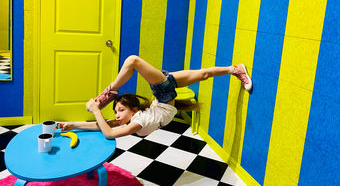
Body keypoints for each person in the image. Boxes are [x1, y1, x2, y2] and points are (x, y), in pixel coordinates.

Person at [57, 55, 252, 139]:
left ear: (134, 110)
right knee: (203, 74)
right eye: (116, 112)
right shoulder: (134, 119)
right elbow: (105, 127)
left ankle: (112, 91)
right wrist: (74, 125)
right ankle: (234, 69)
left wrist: (96, 109)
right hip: (165, 93)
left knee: (133, 60)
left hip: (163, 93)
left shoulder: (137, 122)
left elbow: (108, 132)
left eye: (121, 110)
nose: (117, 115)